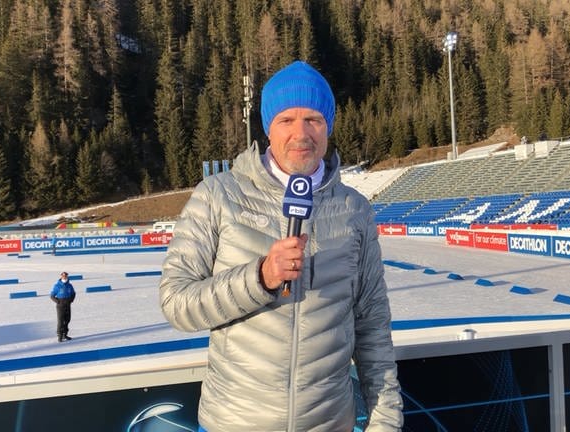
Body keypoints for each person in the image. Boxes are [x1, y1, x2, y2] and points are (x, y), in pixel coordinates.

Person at [159, 61, 403, 431]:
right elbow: (177, 304)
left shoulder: (355, 210)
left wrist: (385, 422)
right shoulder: (218, 195)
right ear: (268, 128)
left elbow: (372, 327)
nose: (300, 133)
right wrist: (259, 277)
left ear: (329, 127)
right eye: (286, 120)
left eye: (314, 120)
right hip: (235, 423)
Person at [50, 271, 76, 342]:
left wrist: (71, 300)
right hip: (60, 305)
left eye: (65, 275)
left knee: (67, 319)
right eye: (63, 275)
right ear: (61, 276)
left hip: (67, 304)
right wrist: (58, 301)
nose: (64, 276)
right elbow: (52, 295)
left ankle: (65, 334)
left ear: (67, 276)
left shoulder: (69, 285)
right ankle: (60, 335)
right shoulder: (57, 285)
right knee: (60, 321)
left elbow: (73, 293)